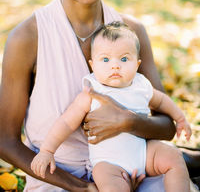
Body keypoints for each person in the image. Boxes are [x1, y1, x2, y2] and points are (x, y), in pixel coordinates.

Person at [0, 0, 199, 192]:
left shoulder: (133, 32)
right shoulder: (28, 37)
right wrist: (81, 188)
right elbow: (5, 141)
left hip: (134, 171)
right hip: (59, 184)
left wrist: (126, 121)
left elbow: (167, 125)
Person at [31, 21, 192, 192]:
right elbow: (66, 123)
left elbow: (161, 101)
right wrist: (47, 150)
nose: (115, 65)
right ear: (93, 65)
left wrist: (180, 118)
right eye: (105, 59)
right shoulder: (91, 92)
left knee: (173, 157)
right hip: (109, 164)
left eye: (124, 59)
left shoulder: (140, 85)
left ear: (137, 64)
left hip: (144, 154)